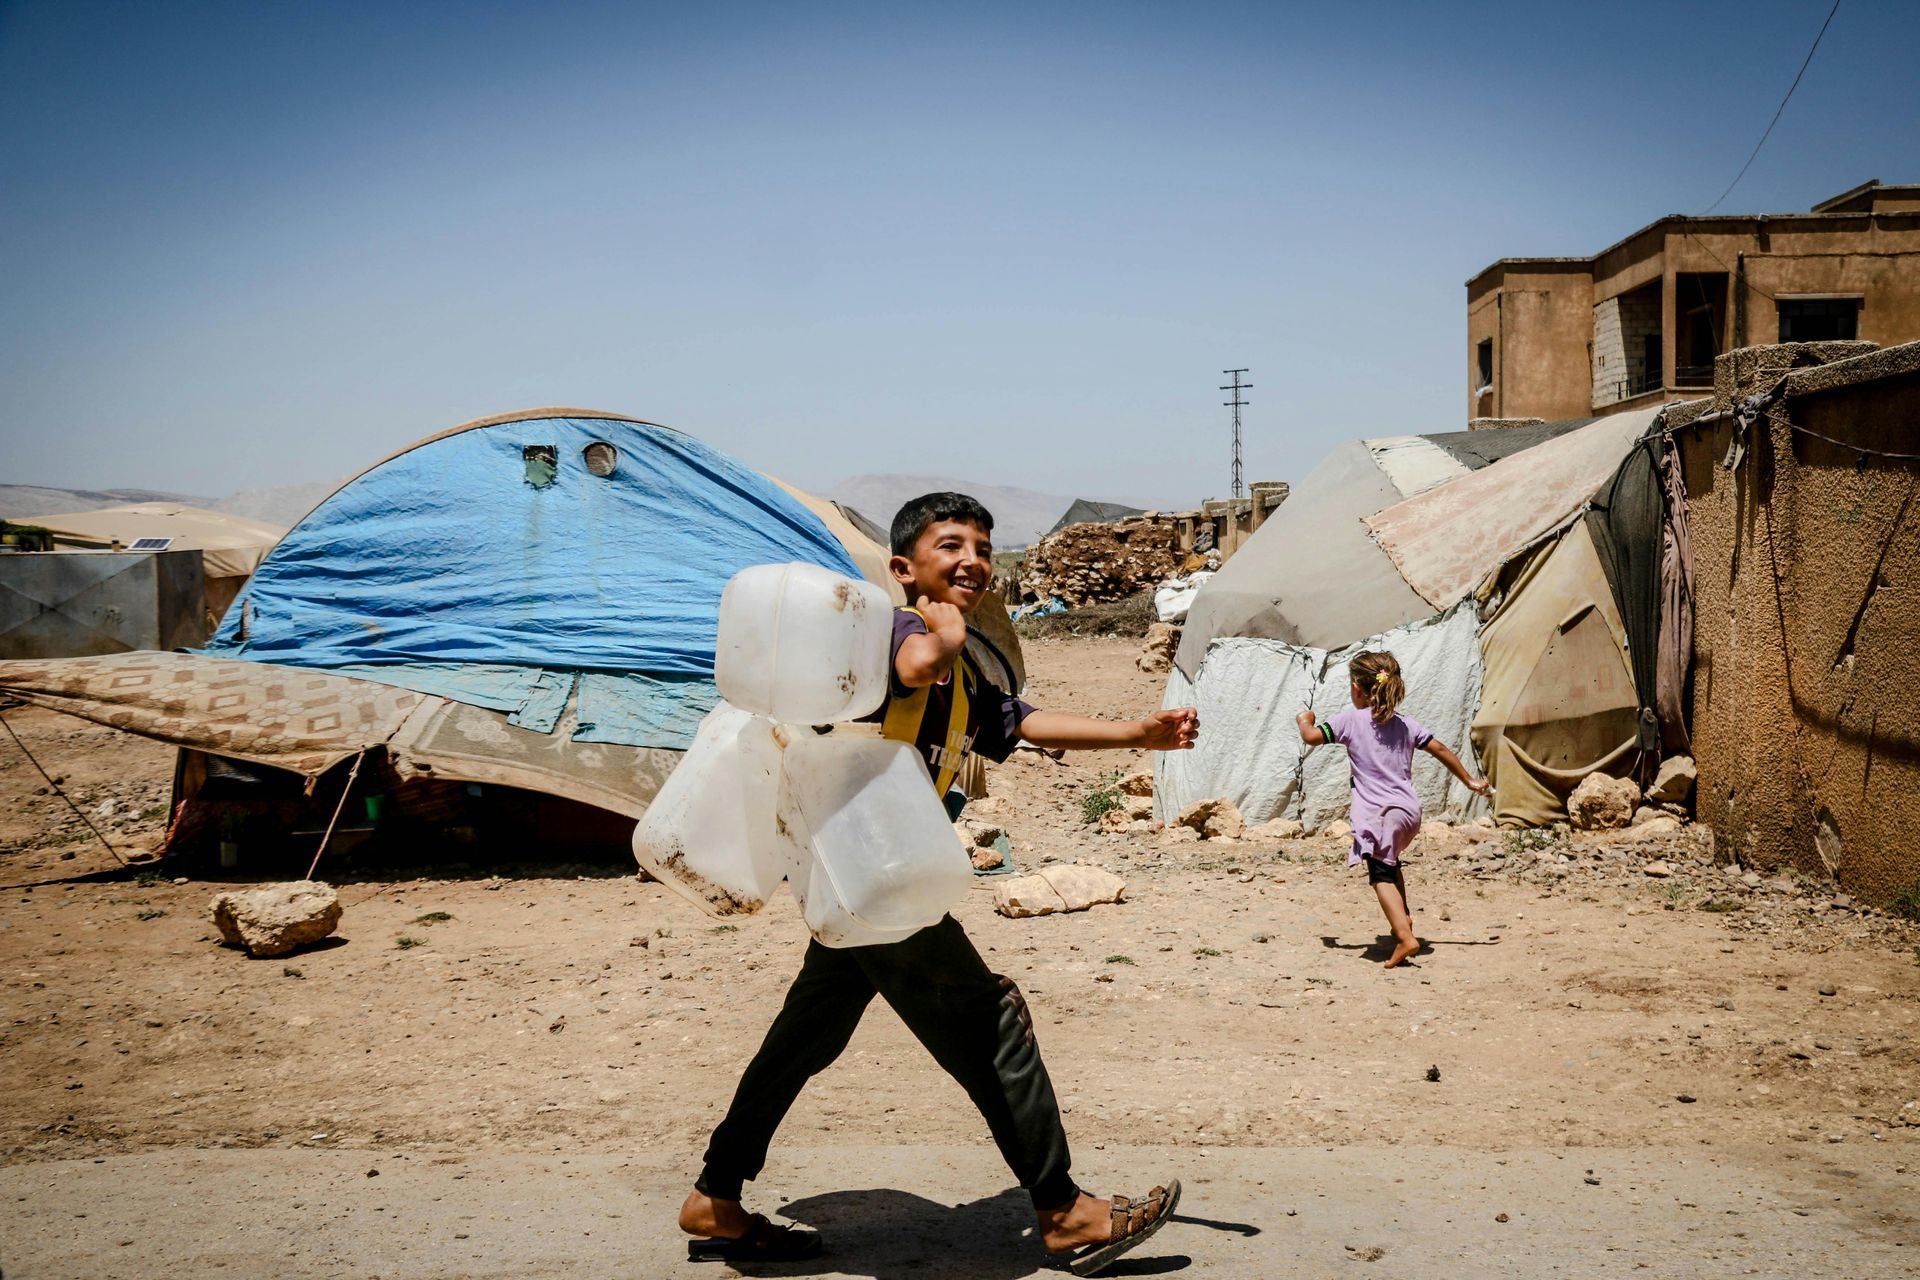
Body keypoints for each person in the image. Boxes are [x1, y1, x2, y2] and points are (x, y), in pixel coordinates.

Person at [679, 492, 1201, 1275]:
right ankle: (1063, 1210)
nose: (974, 561)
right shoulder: (891, 631)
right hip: (874, 870)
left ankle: (716, 1197)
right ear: (902, 568)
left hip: (860, 871)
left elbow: (1018, 723)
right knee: (991, 1018)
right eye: (950, 545)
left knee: (806, 1033)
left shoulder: (961, 668)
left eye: (984, 548)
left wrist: (1136, 733)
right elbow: (915, 666)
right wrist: (944, 623)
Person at [1294, 650, 1489, 969]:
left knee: (1379, 875)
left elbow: (1313, 737)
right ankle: (1405, 920)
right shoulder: (1406, 725)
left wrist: (1304, 721)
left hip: (1380, 813)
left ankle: (1404, 938)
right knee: (1390, 863)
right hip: (1409, 811)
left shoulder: (1350, 720)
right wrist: (1468, 779)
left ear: (1357, 687)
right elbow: (1439, 748)